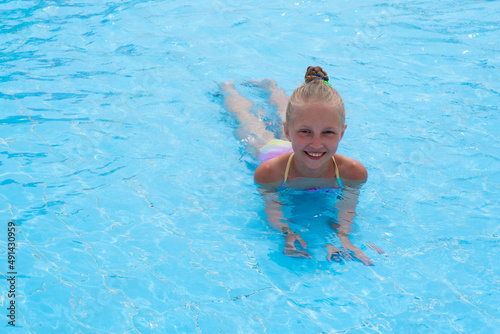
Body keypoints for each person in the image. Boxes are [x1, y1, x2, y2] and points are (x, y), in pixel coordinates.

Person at [222, 66, 382, 265]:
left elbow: (347, 211)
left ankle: (271, 86)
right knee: (247, 121)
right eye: (306, 132)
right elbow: (273, 210)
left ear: (342, 133)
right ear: (287, 132)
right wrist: (286, 232)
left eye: (328, 133)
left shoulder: (353, 173)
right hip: (272, 152)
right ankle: (229, 90)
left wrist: (342, 236)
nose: (316, 143)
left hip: (298, 149)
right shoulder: (269, 173)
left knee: (293, 114)